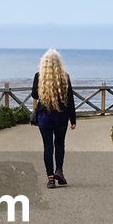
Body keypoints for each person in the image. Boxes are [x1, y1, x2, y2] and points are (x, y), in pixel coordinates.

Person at [31, 49, 76, 189]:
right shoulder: (65, 77)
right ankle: (59, 171)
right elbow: (70, 100)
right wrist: (73, 119)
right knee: (60, 144)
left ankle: (50, 179)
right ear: (59, 63)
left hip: (44, 116)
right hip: (61, 116)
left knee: (48, 146)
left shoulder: (39, 76)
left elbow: (34, 95)